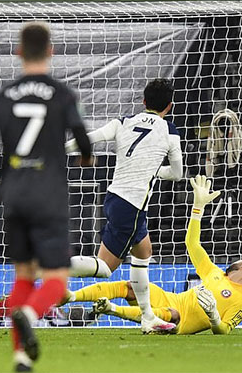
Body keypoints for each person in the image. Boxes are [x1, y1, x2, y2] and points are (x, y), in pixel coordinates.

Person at [0, 21, 92, 372]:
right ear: (51, 51)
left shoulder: (3, 95)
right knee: (56, 280)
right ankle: (28, 313)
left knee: (23, 276)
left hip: (13, 195)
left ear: (19, 52)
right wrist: (85, 156)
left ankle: (21, 358)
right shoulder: (62, 94)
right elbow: (83, 138)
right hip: (49, 194)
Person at [64, 175, 242, 335]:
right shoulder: (214, 273)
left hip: (180, 321)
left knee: (170, 315)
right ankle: (71, 296)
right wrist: (198, 208)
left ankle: (111, 309)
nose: (238, 260)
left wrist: (214, 317)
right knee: (130, 287)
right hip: (171, 298)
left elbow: (224, 329)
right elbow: (192, 243)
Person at [63, 78, 184, 333]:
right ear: (170, 106)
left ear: (143, 101)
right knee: (105, 268)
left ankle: (148, 316)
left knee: (143, 252)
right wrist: (155, 171)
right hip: (133, 204)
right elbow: (177, 173)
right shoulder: (169, 131)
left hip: (116, 198)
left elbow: (90, 138)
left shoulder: (124, 121)